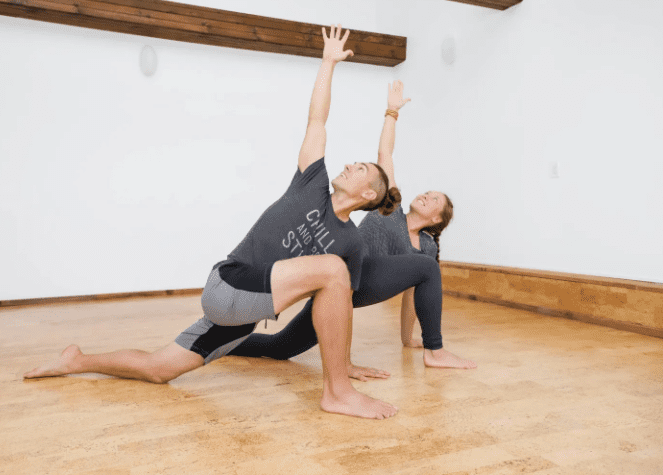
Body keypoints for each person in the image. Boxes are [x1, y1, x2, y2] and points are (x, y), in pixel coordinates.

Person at [24, 25, 402, 420]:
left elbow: (336, 306)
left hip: (244, 315)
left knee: (159, 369)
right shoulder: (311, 184)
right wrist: (327, 64)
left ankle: (76, 361)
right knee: (332, 269)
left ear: (369, 195)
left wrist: (345, 361)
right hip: (230, 284)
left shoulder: (350, 244)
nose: (347, 164)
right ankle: (337, 393)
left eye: (359, 168)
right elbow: (317, 121)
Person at [229, 80, 476, 373]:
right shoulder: (392, 207)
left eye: (434, 199)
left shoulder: (425, 248)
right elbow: (385, 154)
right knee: (280, 347)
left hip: (361, 283)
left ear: (437, 219)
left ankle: (435, 351)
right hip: (341, 277)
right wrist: (391, 113)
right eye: (427, 192)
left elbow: (416, 293)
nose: (426, 195)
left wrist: (409, 338)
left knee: (428, 269)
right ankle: (223, 343)